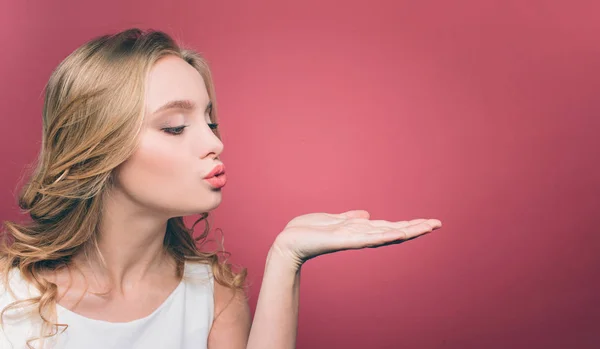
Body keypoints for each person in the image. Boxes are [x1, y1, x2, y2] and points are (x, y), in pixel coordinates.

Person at [0, 28, 442, 349]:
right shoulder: (8, 293)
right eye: (175, 127)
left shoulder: (213, 298)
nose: (215, 143)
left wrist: (287, 257)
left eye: (210, 121)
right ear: (94, 147)